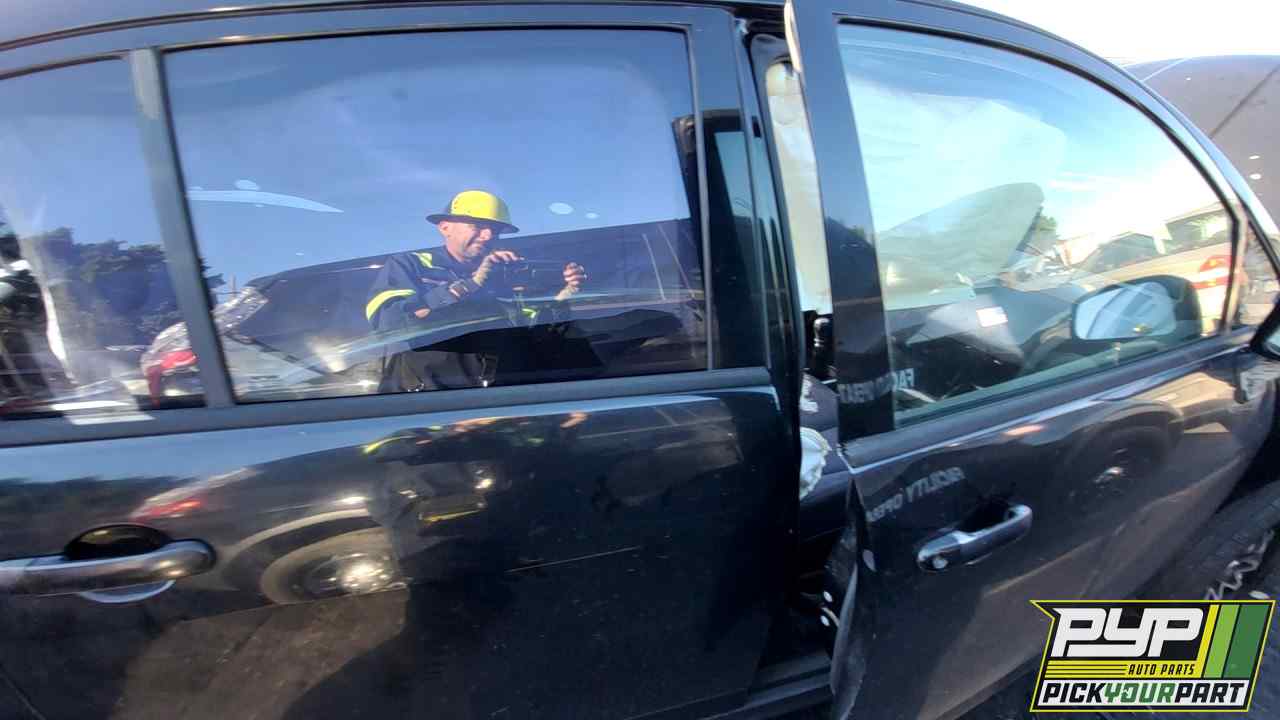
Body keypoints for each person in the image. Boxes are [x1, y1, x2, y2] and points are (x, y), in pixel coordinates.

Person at [366, 190, 587, 392]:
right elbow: (389, 323)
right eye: (478, 226)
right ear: (445, 227)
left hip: (501, 396)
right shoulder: (409, 264)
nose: (488, 235)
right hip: (426, 401)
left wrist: (558, 300)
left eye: (495, 230)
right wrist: (468, 285)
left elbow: (532, 336)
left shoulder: (508, 272)